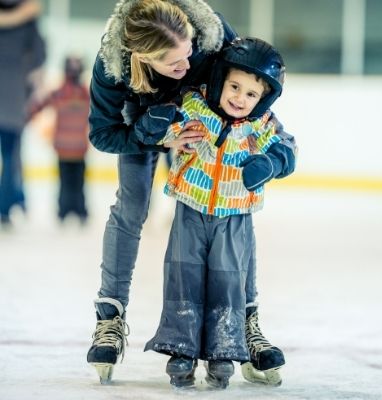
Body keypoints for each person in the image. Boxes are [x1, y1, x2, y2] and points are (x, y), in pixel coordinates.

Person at [86, 0, 296, 386]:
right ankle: (110, 318)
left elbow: (253, 95)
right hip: (145, 124)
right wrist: (159, 137)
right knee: (131, 207)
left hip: (204, 117)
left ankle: (246, 322)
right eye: (174, 63)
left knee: (233, 211)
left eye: (189, 54)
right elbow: (102, 134)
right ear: (142, 58)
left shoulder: (211, 36)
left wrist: (275, 152)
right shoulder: (111, 68)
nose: (187, 65)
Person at [138, 37, 292, 389]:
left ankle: (224, 349)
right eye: (234, 87)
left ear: (263, 99)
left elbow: (287, 148)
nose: (240, 98)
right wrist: (156, 123)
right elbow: (166, 128)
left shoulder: (261, 125)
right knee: (183, 278)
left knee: (227, 282)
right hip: (190, 209)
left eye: (250, 94)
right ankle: (181, 348)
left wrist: (271, 162)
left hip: (235, 217)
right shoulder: (196, 107)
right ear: (221, 80)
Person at [0, 0, 45, 228]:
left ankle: (14, 200)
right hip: (13, 96)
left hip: (12, 96)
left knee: (11, 155)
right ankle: (8, 206)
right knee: (11, 155)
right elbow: (39, 54)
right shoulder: (28, 16)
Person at [29, 56, 90, 224]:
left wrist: (27, 114)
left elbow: (36, 106)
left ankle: (66, 211)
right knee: (76, 182)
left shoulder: (63, 92)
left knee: (69, 181)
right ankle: (76, 211)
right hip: (74, 146)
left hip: (68, 146)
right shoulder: (84, 93)